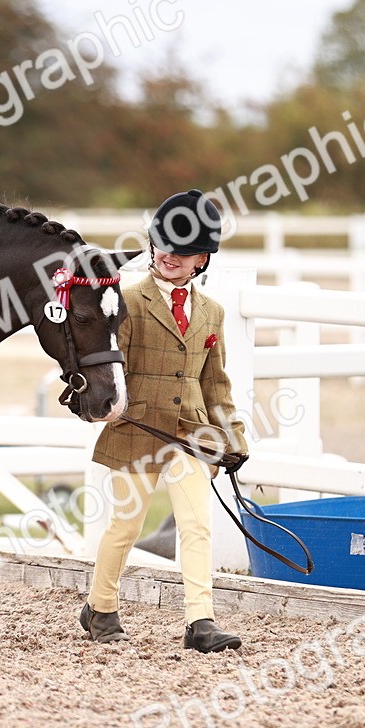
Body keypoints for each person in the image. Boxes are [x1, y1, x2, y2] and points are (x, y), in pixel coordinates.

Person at [79, 188, 249, 653]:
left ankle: (201, 621)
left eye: (185, 249)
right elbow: (112, 370)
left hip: (190, 435)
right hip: (136, 432)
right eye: (163, 243)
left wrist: (233, 437)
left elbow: (215, 383)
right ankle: (101, 605)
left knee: (196, 524)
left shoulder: (211, 312)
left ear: (202, 260)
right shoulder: (128, 303)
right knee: (126, 526)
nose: (170, 255)